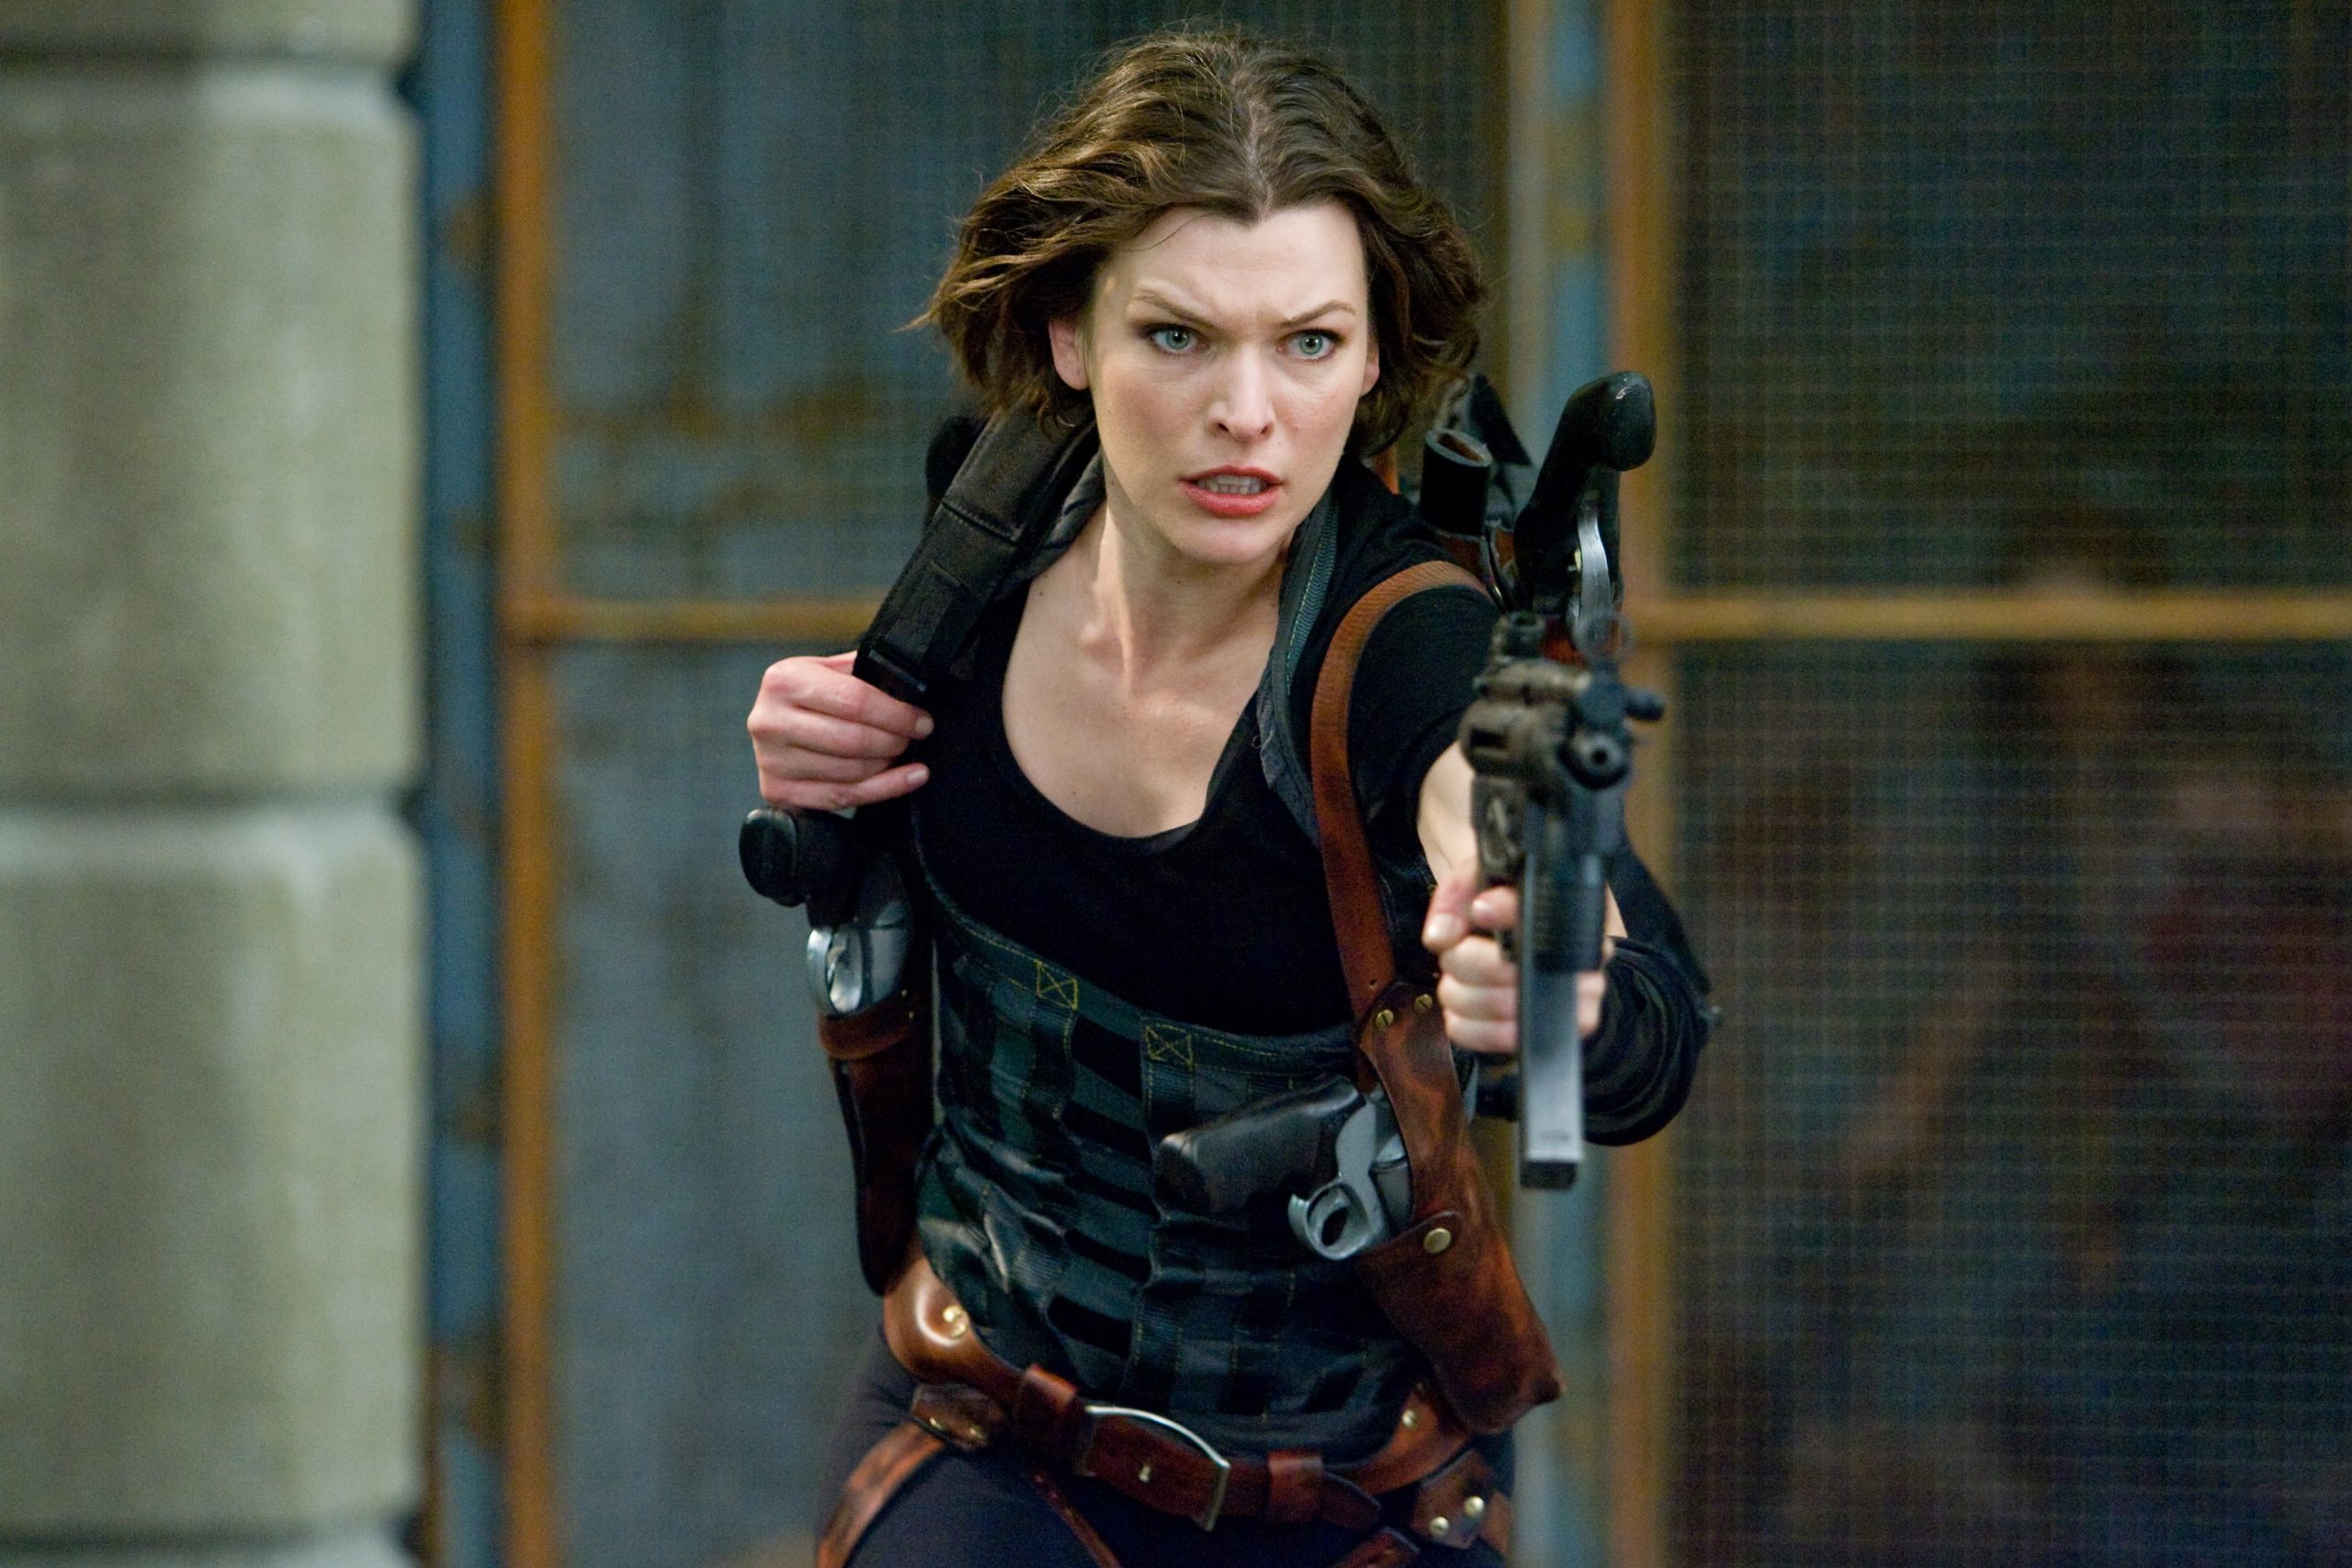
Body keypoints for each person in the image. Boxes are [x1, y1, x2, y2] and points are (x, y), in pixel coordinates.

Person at [747, 27, 1704, 1567]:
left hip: (1346, 1499)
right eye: (1178, 337)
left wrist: (1553, 985)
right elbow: (874, 802)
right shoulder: (982, 539)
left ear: (1375, 358)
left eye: (1308, 343)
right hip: (979, 1422)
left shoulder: (1411, 648)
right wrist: (820, 752)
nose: (1246, 411)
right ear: (1071, 337)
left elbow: (1626, 992)